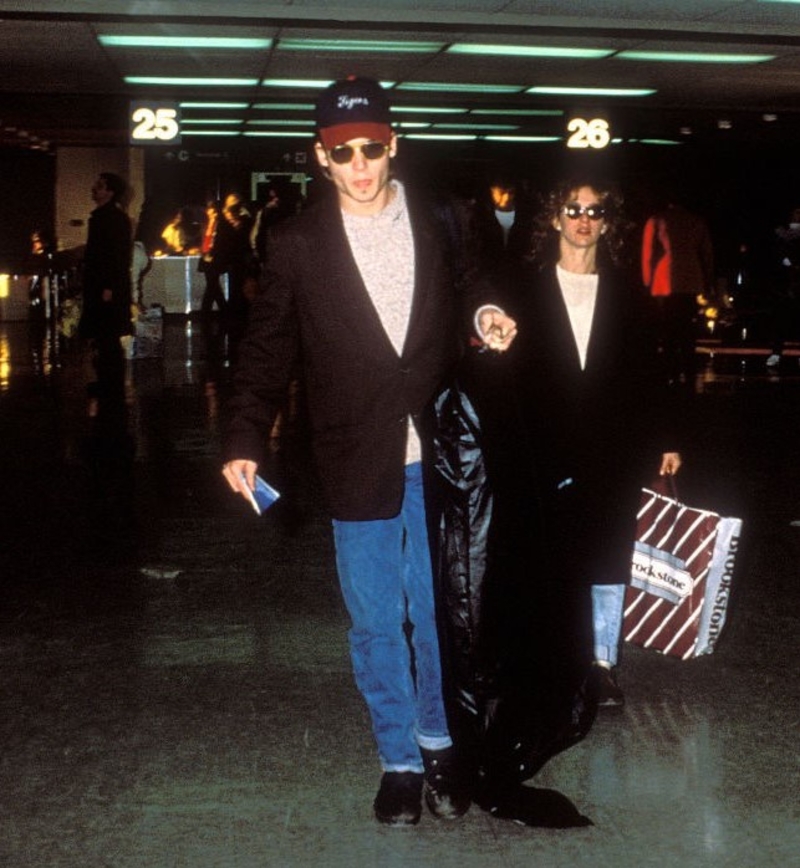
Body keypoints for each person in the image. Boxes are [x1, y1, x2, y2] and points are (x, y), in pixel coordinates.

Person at [222, 76, 473, 827]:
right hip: (351, 454)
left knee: (438, 612)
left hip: (438, 452)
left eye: (371, 148)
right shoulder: (298, 243)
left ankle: (439, 741)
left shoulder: (445, 222)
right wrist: (244, 436)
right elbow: (268, 349)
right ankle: (398, 759)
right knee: (373, 619)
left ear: (393, 144)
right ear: (321, 160)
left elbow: (479, 287)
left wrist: (491, 311)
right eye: (342, 153)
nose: (360, 166)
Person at [434, 178, 681, 825]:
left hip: (608, 449)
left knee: (605, 558)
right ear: (555, 219)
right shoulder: (522, 286)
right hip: (538, 455)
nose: (583, 220)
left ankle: (600, 667)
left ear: (607, 223)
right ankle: (539, 664)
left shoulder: (627, 293)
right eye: (573, 209)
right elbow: (494, 351)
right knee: (541, 562)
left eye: (595, 212)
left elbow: (648, 373)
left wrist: (664, 440)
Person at [641, 197, 715, 385]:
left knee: (668, 327)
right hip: (691, 278)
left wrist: (646, 282)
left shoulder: (657, 219)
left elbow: (647, 254)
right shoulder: (696, 221)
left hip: (664, 280)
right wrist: (708, 282)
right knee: (687, 327)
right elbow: (707, 254)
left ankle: (669, 369)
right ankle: (688, 369)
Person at [78, 172, 133, 411]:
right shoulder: (111, 217)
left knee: (106, 335)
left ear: (109, 192)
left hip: (104, 285)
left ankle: (109, 384)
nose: (94, 189)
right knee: (106, 335)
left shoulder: (109, 219)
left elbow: (115, 255)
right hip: (103, 284)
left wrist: (109, 285)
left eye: (99, 186)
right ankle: (110, 384)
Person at [765, 205, 800, 369]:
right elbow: (775, 252)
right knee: (781, 320)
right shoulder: (781, 234)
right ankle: (776, 353)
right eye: (796, 212)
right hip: (784, 283)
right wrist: (785, 262)